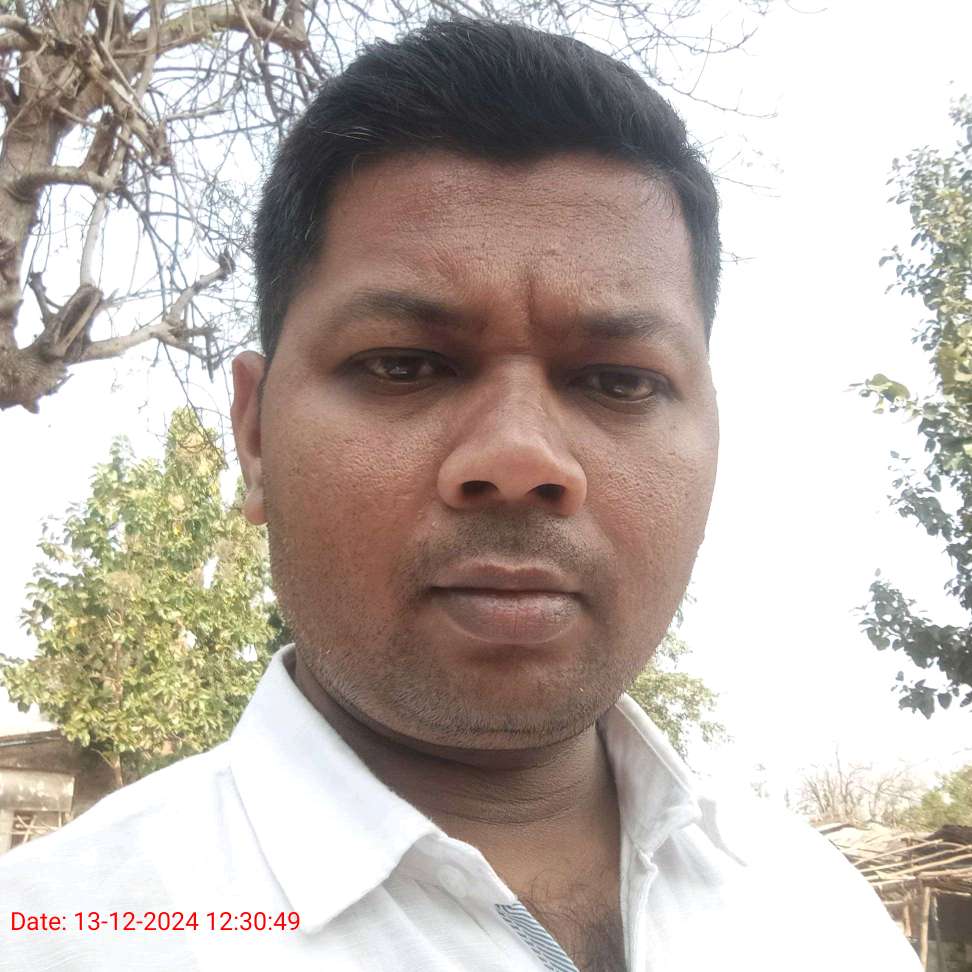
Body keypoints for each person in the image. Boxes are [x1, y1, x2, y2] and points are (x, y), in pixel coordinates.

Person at [0, 17, 921, 972]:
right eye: (404, 364)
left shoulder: (819, 918)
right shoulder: (65, 936)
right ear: (257, 436)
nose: (521, 459)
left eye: (618, 380)